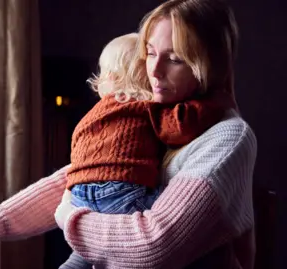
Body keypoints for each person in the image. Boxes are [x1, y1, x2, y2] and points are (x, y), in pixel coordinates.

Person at [0, 0, 257, 268]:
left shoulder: (226, 138)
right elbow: (86, 177)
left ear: (208, 66)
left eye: (175, 59)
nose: (152, 70)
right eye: (150, 53)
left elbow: (153, 246)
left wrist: (69, 218)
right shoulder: (160, 116)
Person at [58, 32, 229, 269]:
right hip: (121, 190)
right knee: (174, 214)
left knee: (83, 256)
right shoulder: (145, 106)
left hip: (77, 194)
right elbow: (179, 126)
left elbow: (77, 150)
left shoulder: (94, 113)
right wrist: (215, 102)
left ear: (109, 77)